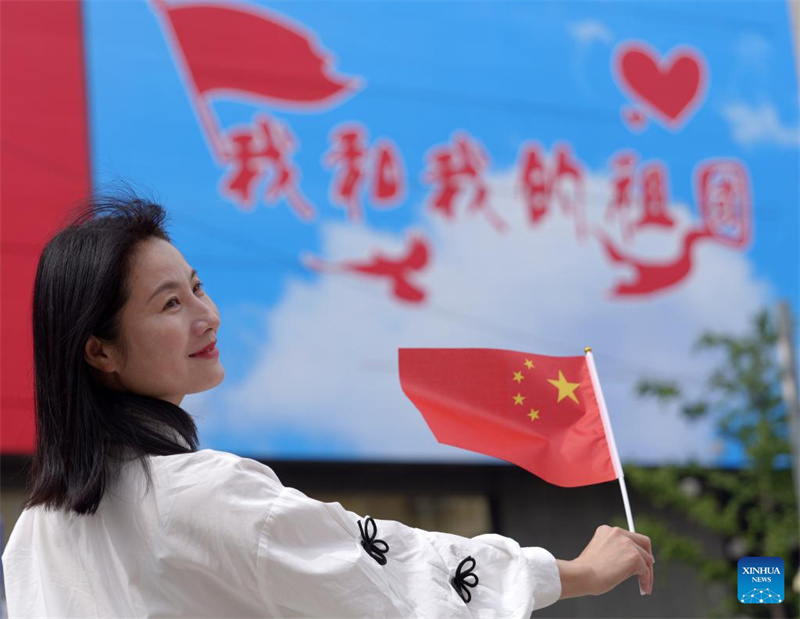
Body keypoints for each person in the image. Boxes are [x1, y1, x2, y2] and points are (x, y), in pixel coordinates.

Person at [1, 194, 654, 617]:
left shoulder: (35, 529)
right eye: (170, 303)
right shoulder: (205, 493)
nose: (207, 316)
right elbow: (390, 568)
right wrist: (574, 571)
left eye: (197, 287)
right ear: (99, 351)